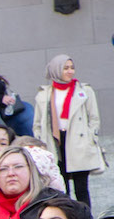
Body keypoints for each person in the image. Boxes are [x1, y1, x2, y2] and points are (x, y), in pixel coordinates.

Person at [35, 53, 104, 210]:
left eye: (72, 68)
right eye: (65, 68)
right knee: (61, 187)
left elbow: (94, 118)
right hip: (56, 141)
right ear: (56, 70)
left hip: (78, 142)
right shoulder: (44, 94)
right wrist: (40, 140)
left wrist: (90, 137)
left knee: (81, 188)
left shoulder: (84, 90)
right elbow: (38, 123)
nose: (70, 71)